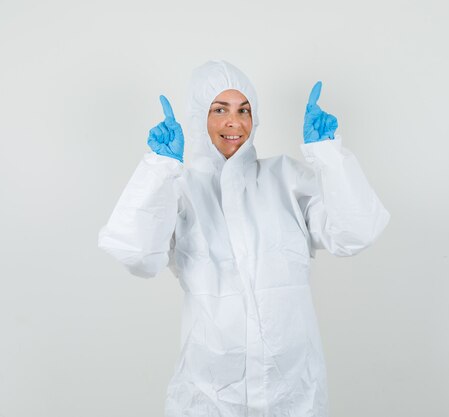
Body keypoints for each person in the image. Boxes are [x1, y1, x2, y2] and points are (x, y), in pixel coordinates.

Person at [98, 60, 390, 417]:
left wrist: (329, 154)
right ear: (197, 118)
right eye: (219, 110)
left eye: (244, 110)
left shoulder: (286, 178)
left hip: (293, 395)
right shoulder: (182, 191)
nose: (234, 122)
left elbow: (355, 233)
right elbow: (136, 253)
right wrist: (158, 168)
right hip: (210, 397)